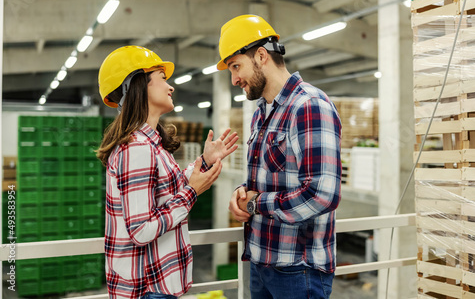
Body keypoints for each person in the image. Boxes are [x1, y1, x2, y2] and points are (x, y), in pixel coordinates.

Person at [96, 45, 238, 299]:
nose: (171, 87)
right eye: (162, 78)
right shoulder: (136, 149)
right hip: (148, 290)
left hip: (156, 287)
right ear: (139, 86)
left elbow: (168, 188)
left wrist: (204, 161)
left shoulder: (149, 144)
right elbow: (141, 230)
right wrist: (192, 192)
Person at [221, 15, 342, 299]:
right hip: (261, 262)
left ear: (261, 56)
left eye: (236, 66)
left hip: (298, 270)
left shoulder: (309, 106)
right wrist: (242, 192)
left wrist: (256, 204)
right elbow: (270, 176)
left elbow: (322, 194)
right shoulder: (262, 112)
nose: (235, 79)